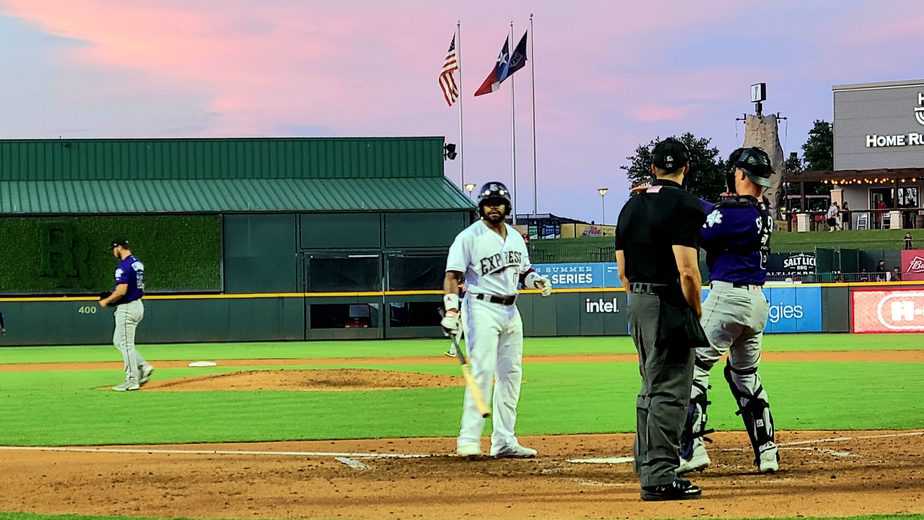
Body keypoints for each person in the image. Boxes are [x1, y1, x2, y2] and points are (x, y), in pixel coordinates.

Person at [678, 147, 780, 476]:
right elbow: (716, 211)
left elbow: (701, 225)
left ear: (739, 174)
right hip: (756, 303)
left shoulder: (735, 213)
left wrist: (668, 195)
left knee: (691, 368)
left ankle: (692, 448)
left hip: (728, 297)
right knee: (745, 376)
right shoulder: (762, 211)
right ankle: (767, 452)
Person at [615, 138, 706, 501]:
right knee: (669, 389)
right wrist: (694, 309)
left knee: (649, 385)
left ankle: (647, 461)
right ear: (686, 168)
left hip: (637, 299)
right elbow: (688, 271)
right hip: (668, 301)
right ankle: (659, 476)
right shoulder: (685, 204)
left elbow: (622, 272)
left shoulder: (630, 205)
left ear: (652, 168)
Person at [441, 182, 552, 458]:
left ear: (507, 207)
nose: (493, 207)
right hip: (481, 308)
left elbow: (523, 271)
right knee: (481, 371)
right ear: (481, 207)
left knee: (511, 375)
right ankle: (468, 439)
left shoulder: (515, 237)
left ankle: (504, 440)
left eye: (498, 203)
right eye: (489, 203)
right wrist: (452, 311)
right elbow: (453, 276)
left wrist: (534, 280)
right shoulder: (469, 237)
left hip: (511, 310)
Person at [99, 239, 154, 392]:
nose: (113, 252)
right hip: (137, 305)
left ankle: (132, 380)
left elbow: (121, 291)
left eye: (113, 248)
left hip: (127, 308)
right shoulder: (137, 263)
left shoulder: (123, 266)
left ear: (119, 247)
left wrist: (106, 301)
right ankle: (143, 366)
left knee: (126, 344)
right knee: (119, 341)